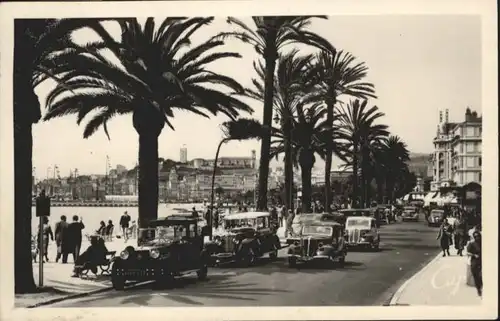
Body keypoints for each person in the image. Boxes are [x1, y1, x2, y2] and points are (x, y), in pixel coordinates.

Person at [466, 231, 482, 297]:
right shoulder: (471, 244)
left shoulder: (483, 242)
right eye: (475, 236)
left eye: (478, 236)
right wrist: (474, 255)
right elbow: (467, 253)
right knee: (475, 273)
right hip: (475, 259)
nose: (477, 238)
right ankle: (478, 288)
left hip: (482, 259)